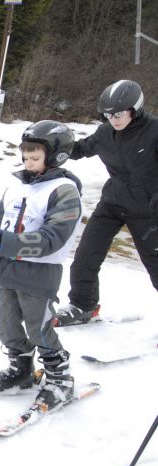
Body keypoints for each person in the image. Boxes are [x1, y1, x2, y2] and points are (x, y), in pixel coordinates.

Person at [0, 120, 83, 410]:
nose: (28, 162)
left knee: (40, 328)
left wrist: (6, 243)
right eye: (25, 157)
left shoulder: (63, 190)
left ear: (56, 155)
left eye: (35, 158)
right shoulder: (15, 185)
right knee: (6, 325)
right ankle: (21, 371)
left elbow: (53, 238)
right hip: (8, 270)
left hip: (40, 273)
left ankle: (60, 380)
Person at [55, 79, 158, 325]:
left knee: (155, 265)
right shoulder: (104, 134)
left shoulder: (154, 131)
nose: (114, 119)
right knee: (85, 256)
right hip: (112, 204)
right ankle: (83, 305)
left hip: (148, 211)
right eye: (108, 114)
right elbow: (80, 149)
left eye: (120, 113)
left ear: (136, 107)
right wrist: (52, 145)